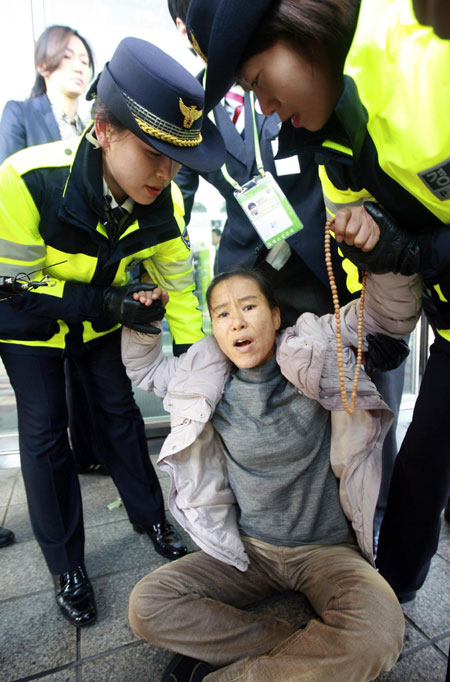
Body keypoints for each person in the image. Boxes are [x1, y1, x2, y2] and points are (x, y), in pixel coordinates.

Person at [185, 0, 450, 605]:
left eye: (258, 83)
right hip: (437, 316)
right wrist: (383, 257)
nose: (267, 108)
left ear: (298, 25)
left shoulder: (423, 44)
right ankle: (391, 593)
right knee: (421, 463)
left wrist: (417, 251)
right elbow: (380, 269)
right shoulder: (330, 150)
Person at [0, 36, 225, 627]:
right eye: (154, 151)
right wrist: (107, 300)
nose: (166, 171)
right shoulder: (26, 180)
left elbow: (179, 279)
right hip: (29, 326)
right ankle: (64, 564)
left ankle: (151, 515)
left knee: (119, 412)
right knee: (47, 431)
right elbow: (16, 284)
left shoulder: (162, 199)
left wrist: (193, 366)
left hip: (101, 318)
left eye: (175, 156)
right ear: (104, 130)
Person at [124, 266, 420, 682]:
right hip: (249, 553)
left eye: (249, 306)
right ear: (214, 327)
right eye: (223, 314)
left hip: (328, 552)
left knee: (382, 634)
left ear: (276, 316)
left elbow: (384, 314)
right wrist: (144, 324)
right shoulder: (205, 376)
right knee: (148, 603)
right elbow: (147, 370)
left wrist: (385, 257)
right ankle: (294, 643)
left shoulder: (314, 351)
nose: (237, 321)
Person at [0, 25, 106, 474]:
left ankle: (87, 456)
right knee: (42, 401)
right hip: (31, 270)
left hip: (79, 268)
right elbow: (8, 188)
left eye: (85, 58)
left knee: (81, 369)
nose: (80, 65)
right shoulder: (21, 114)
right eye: (69, 56)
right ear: (44, 64)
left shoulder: (94, 128)